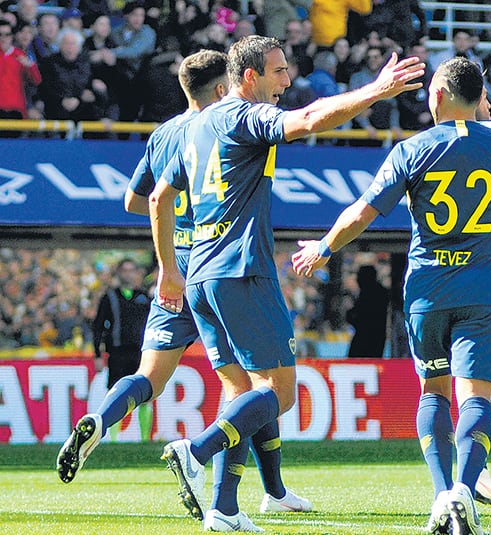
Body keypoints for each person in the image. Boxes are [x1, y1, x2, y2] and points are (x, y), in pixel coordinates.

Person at [150, 35, 423, 532]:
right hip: (241, 269)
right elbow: (309, 119)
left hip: (200, 275)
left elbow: (160, 195)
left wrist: (169, 265)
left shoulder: (195, 127)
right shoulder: (242, 115)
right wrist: (376, 92)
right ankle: (196, 450)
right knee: (280, 392)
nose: (287, 80)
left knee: (241, 392)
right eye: (278, 71)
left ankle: (224, 508)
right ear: (249, 77)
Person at [291, 56, 491, 535]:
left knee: (433, 391)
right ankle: (464, 491)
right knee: (476, 393)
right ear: (480, 100)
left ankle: (440, 496)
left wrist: (324, 247)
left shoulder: (411, 149)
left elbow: (365, 211)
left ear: (437, 96)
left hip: (427, 291)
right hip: (484, 290)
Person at [55, 49, 313, 518]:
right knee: (254, 384)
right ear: (223, 88)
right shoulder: (226, 125)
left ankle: (100, 419)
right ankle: (235, 495)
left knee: (149, 378)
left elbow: (137, 200)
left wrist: (175, 225)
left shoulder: (165, 134)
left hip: (174, 272)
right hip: (221, 265)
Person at [88, 258, 151, 439]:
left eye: (132, 270)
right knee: (115, 394)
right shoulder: (109, 297)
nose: (129, 274)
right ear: (119, 273)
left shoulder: (144, 297)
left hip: (141, 353)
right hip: (117, 353)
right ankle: (114, 438)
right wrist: (97, 354)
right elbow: (98, 326)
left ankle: (144, 438)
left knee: (146, 395)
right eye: (125, 270)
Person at [345, 265, 390, 357]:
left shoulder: (372, 295)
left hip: (368, 338)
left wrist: (350, 315)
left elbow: (362, 318)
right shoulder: (379, 293)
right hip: (374, 337)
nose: (357, 280)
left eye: (360, 277)